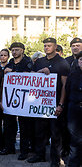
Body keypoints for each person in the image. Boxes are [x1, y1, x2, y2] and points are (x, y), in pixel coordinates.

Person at [27, 38, 70, 167]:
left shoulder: (62, 63)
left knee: (55, 133)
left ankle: (55, 159)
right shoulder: (39, 61)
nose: (46, 48)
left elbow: (64, 85)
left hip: (55, 103)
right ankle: (39, 155)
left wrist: (61, 104)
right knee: (39, 131)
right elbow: (31, 76)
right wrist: (40, 72)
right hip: (40, 104)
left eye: (49, 46)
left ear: (55, 47)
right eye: (45, 46)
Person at [1, 42, 34, 161]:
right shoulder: (10, 62)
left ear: (22, 50)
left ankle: (24, 150)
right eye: (13, 50)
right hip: (11, 99)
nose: (14, 52)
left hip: (24, 100)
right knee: (9, 125)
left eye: (17, 50)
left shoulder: (27, 62)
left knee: (24, 126)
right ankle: (9, 147)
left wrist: (14, 73)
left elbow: (29, 77)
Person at [66, 51, 82, 167]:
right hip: (74, 109)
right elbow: (67, 91)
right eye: (81, 60)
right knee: (75, 139)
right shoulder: (73, 74)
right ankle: (74, 163)